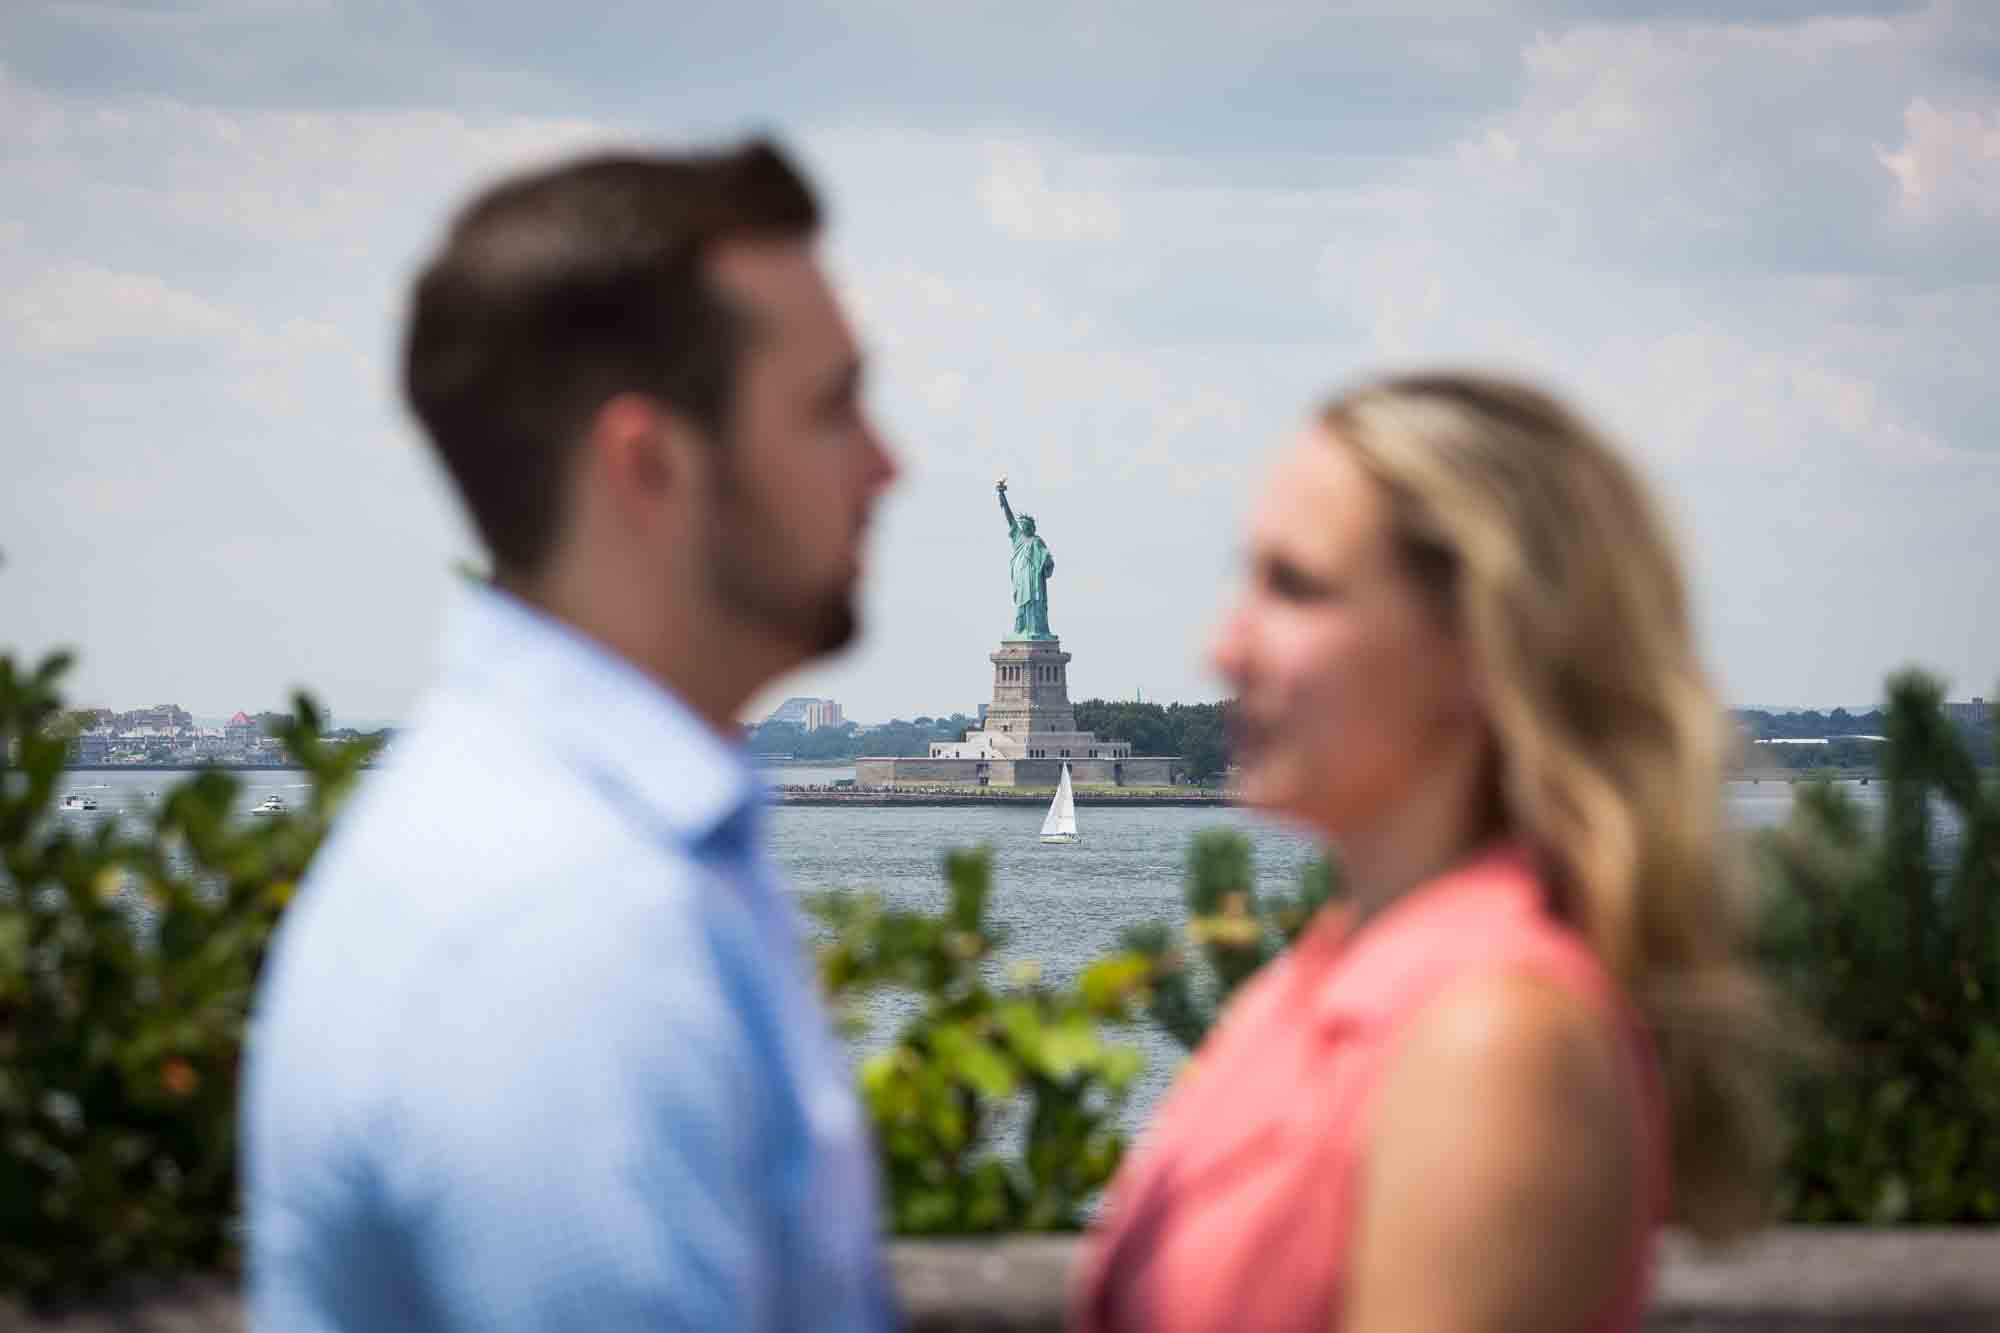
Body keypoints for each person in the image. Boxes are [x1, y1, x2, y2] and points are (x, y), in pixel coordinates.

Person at [243, 141, 900, 1330]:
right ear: (646, 465)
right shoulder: (571, 926)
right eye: (830, 410)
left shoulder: (562, 854)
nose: (885, 465)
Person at [1072, 373, 1775, 1332]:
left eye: (1296, 588)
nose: (1223, 646)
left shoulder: (1496, 1044)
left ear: (1483, 641)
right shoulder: (1339, 978)